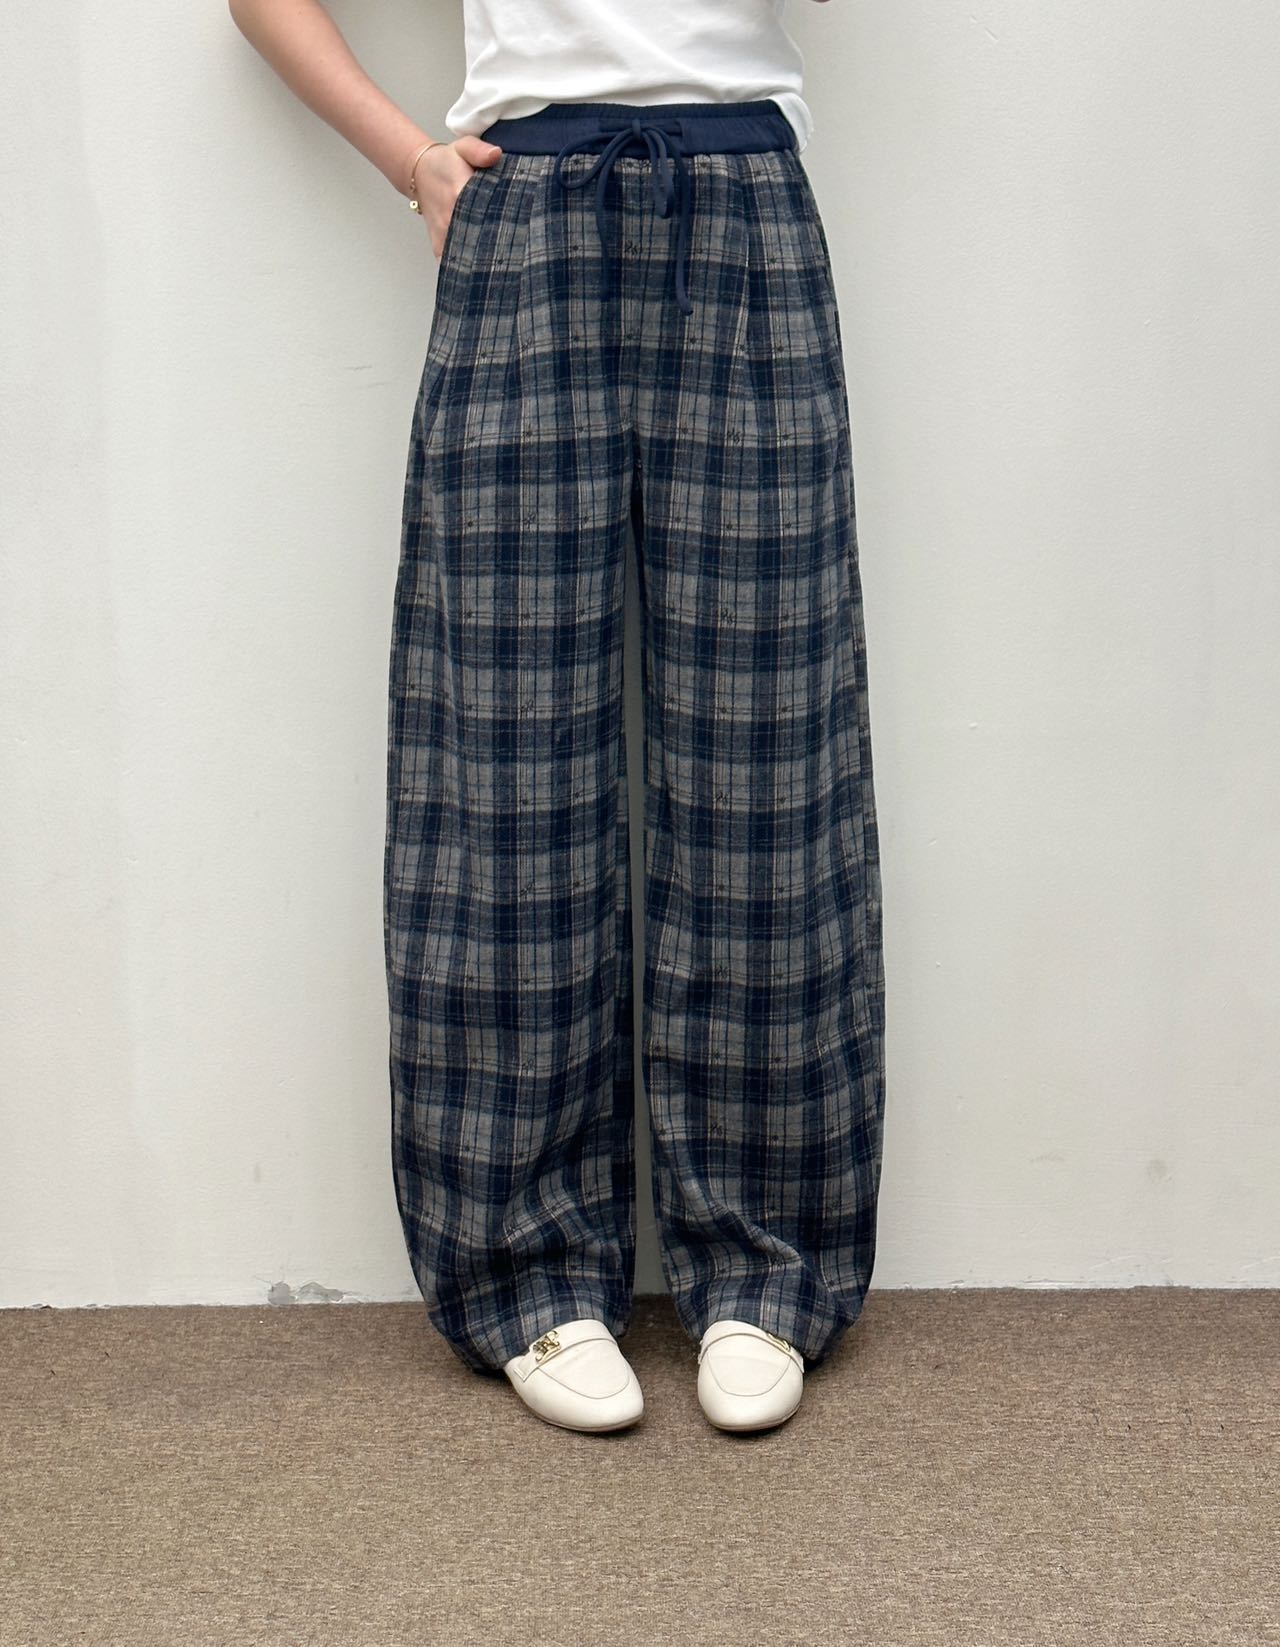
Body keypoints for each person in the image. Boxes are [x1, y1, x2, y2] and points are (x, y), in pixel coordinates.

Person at [229, 0, 886, 1437]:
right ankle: (528, 1269)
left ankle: (765, 1265)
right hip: (521, 211)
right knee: (507, 754)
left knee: (769, 755)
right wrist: (412, 160)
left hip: (747, 208)